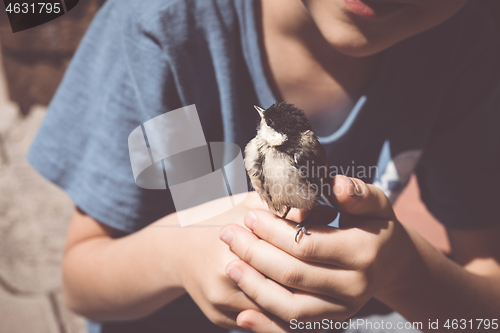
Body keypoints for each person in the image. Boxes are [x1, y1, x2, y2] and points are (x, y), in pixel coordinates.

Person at [28, 0, 500, 332]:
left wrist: (404, 272)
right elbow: (80, 285)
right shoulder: (164, 28)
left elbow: (484, 316)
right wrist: (178, 254)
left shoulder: (469, 49)